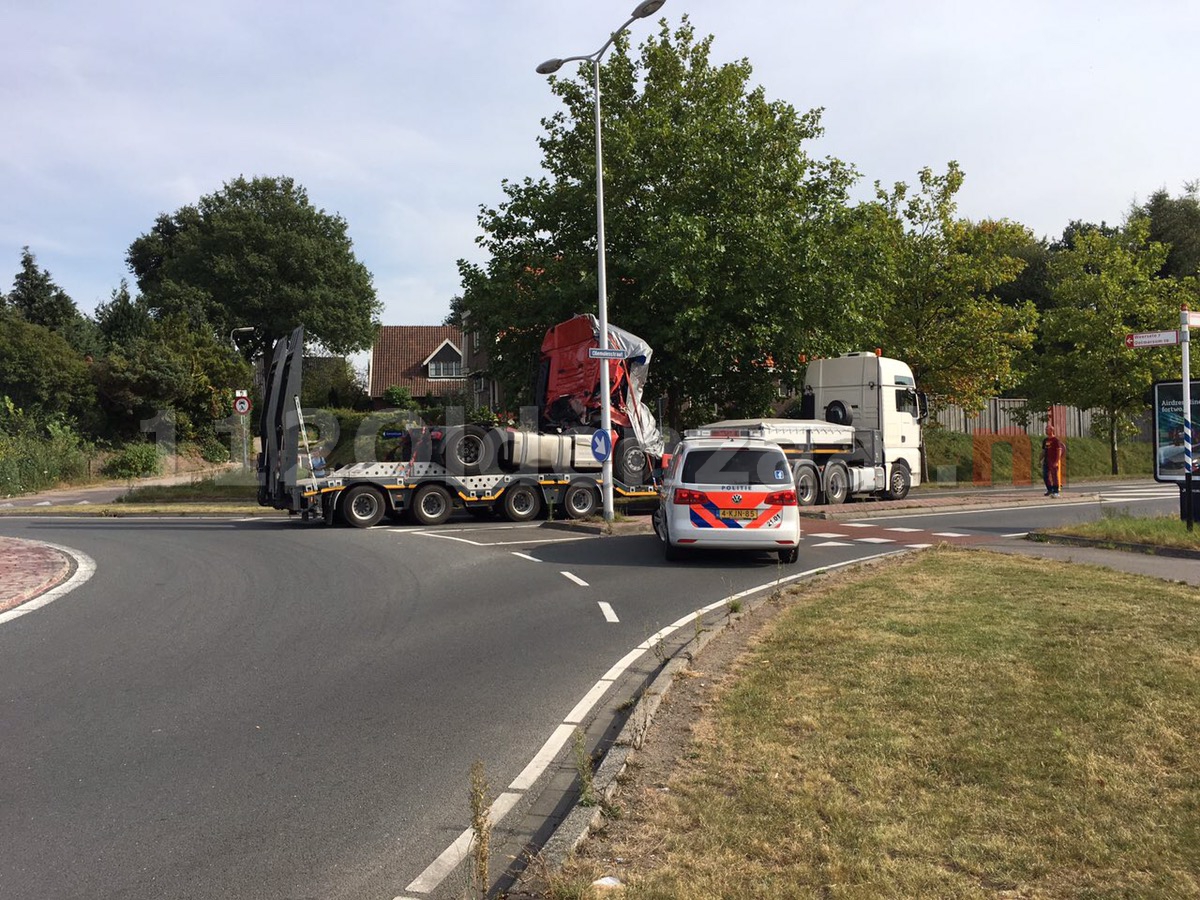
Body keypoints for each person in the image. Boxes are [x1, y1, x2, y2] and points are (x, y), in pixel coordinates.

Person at [1041, 426, 1066, 496]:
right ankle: (1050, 489)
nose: (1045, 431)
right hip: (1046, 461)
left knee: (1054, 476)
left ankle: (1056, 491)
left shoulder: (1056, 440)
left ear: (1051, 430)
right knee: (1045, 475)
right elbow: (1043, 451)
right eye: (1045, 429)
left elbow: (1059, 451)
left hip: (1053, 461)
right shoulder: (1045, 440)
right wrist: (1040, 459)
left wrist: (1057, 461)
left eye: (1047, 429)